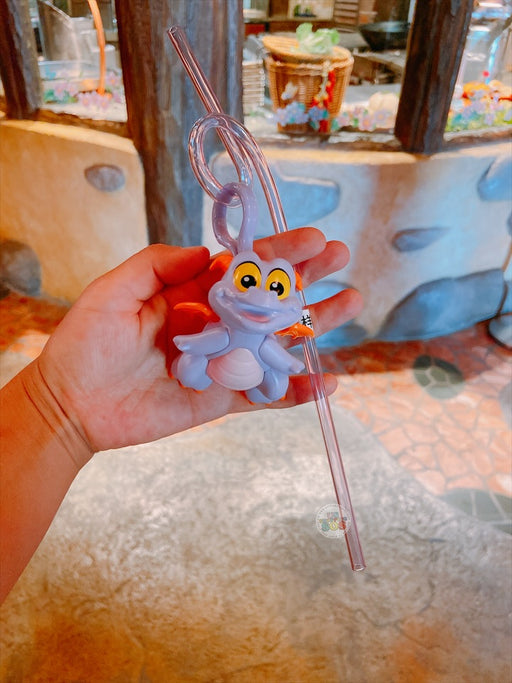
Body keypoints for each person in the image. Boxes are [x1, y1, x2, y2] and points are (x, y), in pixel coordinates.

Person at [0, 229, 362, 603]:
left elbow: (280, 356)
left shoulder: (283, 327)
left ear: (289, 300)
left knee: (273, 383)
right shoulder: (220, 324)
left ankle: (257, 386)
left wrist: (288, 361)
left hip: (252, 370)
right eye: (247, 281)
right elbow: (203, 342)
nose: (261, 298)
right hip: (217, 364)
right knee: (194, 367)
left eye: (276, 289)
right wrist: (54, 402)